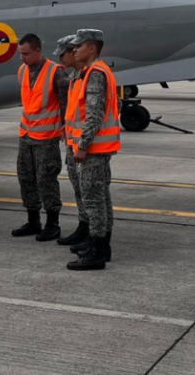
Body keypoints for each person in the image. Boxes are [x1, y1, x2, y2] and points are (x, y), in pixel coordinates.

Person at [64, 29, 121, 271]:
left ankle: (97, 252)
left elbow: (94, 115)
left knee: (93, 198)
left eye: (79, 45)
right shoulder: (91, 72)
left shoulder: (95, 74)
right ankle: (101, 246)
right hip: (98, 147)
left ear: (92, 48)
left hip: (94, 148)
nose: (75, 49)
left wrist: (83, 145)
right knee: (100, 196)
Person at [11, 34, 69, 242]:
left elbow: (66, 104)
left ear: (37, 51)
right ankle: (33, 221)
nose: (22, 58)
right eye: (20, 53)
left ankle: (53, 224)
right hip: (26, 134)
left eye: (25, 54)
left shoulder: (56, 72)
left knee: (46, 180)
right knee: (26, 178)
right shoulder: (22, 71)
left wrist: (66, 129)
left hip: (46, 137)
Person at [51, 33, 91, 248]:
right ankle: (84, 227)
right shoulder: (75, 76)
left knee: (89, 192)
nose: (60, 59)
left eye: (63, 53)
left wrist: (83, 143)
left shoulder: (89, 75)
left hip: (86, 147)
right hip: (73, 143)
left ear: (74, 51)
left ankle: (92, 234)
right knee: (78, 189)